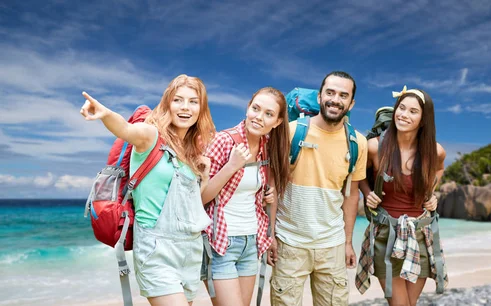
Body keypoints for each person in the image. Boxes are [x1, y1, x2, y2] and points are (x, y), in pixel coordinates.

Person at [79, 74, 215, 306]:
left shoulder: (191, 152)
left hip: (191, 250)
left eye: (193, 101)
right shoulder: (150, 136)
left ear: (201, 108)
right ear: (167, 104)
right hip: (156, 250)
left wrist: (204, 175)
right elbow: (125, 129)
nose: (185, 107)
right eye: (178, 100)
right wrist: (105, 114)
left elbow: (193, 205)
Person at [270, 71, 368, 306]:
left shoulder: (357, 143)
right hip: (289, 242)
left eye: (343, 95)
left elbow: (352, 196)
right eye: (330, 92)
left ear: (351, 103)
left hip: (332, 246)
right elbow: (272, 186)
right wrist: (269, 235)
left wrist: (347, 242)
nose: (335, 99)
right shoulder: (291, 132)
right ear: (320, 96)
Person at [357, 87, 447, 306]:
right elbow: (358, 176)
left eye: (413, 111)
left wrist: (431, 193)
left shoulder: (434, 151)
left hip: (421, 235)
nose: (404, 115)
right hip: (385, 235)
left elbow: (439, 170)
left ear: (424, 119)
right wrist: (368, 193)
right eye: (402, 108)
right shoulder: (375, 147)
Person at [201, 87, 290, 306]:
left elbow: (265, 195)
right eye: (255, 108)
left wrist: (270, 236)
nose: (259, 117)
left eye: (268, 114)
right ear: (248, 107)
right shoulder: (223, 141)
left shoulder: (267, 148)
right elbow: (201, 197)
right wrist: (231, 166)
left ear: (277, 122)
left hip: (251, 241)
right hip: (221, 243)